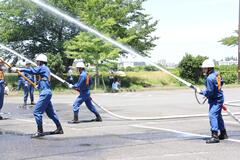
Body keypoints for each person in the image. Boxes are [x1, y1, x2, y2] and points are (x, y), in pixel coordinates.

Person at [11, 54, 63, 138]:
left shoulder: (43, 67)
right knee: (51, 113)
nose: (37, 62)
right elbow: (44, 81)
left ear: (40, 61)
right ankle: (59, 128)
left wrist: (19, 69)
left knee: (37, 112)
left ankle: (40, 131)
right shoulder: (45, 69)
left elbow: (32, 71)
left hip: (45, 94)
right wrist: (38, 85)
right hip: (46, 92)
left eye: (37, 61)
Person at [196, 59, 228, 143]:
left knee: (212, 115)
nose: (203, 70)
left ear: (209, 68)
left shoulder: (210, 78)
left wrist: (201, 92)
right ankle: (223, 133)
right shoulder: (217, 74)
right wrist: (213, 92)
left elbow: (210, 92)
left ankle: (215, 136)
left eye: (204, 68)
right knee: (218, 116)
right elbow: (221, 82)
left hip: (215, 100)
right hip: (219, 97)